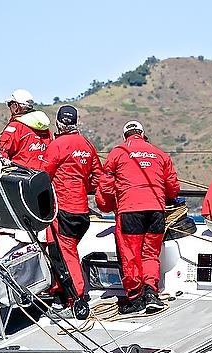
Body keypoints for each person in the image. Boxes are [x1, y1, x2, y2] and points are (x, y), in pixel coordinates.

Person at [97, 120, 180, 314]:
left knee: (130, 256)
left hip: (130, 211)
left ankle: (135, 298)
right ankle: (151, 292)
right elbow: (173, 188)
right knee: (150, 254)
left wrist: (107, 207)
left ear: (125, 135)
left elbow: (106, 187)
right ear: (142, 134)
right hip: (157, 211)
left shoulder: (118, 152)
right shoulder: (159, 154)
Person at [42, 105, 103, 312]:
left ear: (58, 122)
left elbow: (42, 176)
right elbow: (98, 178)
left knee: (64, 254)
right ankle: (60, 292)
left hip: (63, 210)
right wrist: (82, 186)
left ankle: (77, 299)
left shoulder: (57, 145)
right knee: (63, 253)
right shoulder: (87, 145)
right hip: (83, 213)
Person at [0, 89, 53, 170]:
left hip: (21, 176)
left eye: (10, 104)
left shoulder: (14, 127)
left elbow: (2, 154)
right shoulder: (45, 128)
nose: (9, 107)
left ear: (15, 106)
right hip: (42, 177)